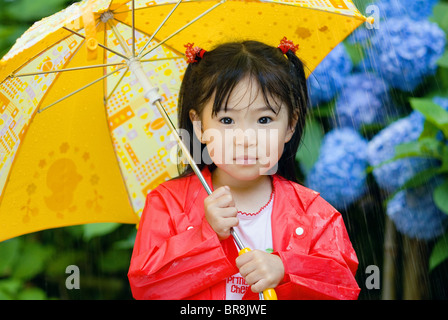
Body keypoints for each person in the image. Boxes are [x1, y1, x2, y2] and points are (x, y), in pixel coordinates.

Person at [128, 38, 360, 300]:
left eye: (264, 119)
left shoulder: (313, 213)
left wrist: (286, 268)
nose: (246, 138)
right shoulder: (168, 204)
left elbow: (343, 285)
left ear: (291, 124)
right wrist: (207, 236)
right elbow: (147, 287)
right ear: (199, 126)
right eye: (227, 120)